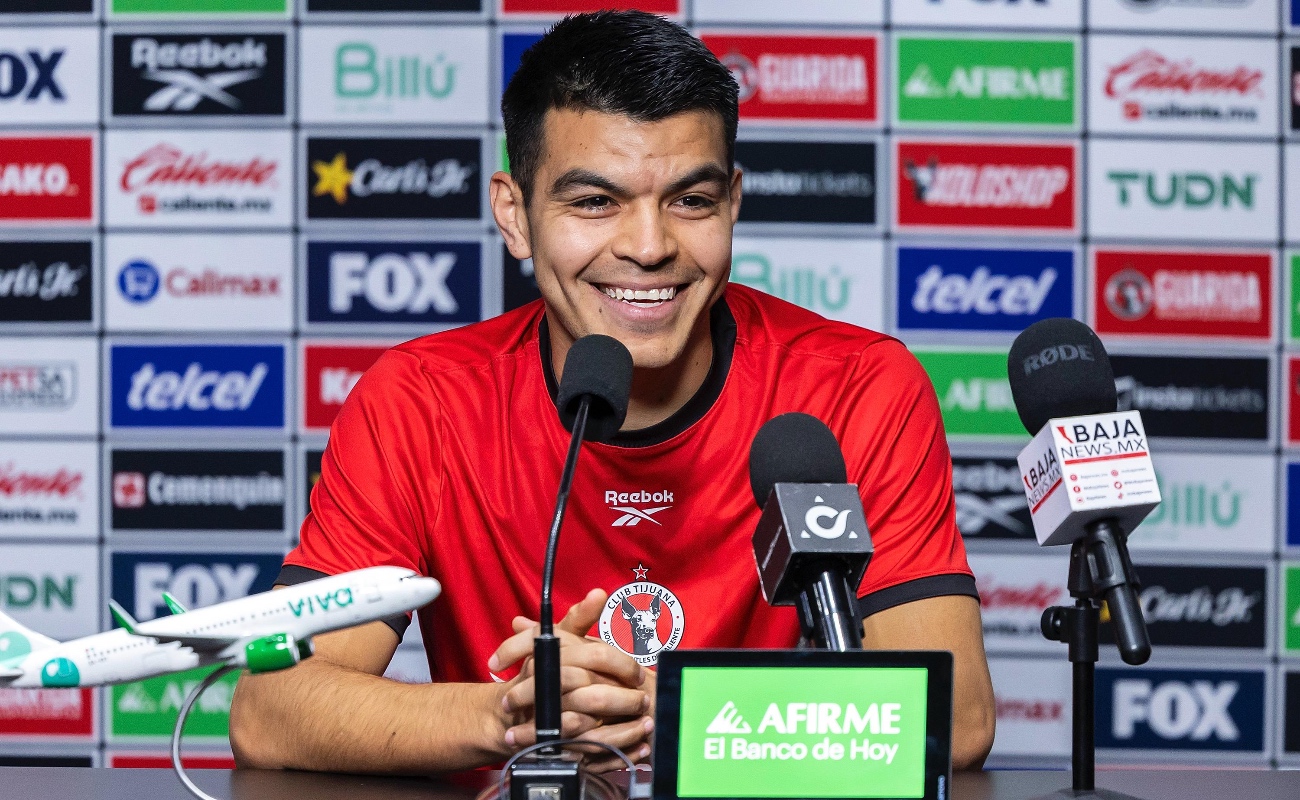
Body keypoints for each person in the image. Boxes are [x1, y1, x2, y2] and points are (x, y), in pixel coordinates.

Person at [230, 10, 995, 775]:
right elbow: (270, 711)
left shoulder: (857, 385)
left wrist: (670, 713)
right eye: (595, 202)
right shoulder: (421, 400)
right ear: (514, 215)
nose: (649, 246)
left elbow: (954, 717)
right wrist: (511, 714)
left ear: (732, 203)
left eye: (690, 201)